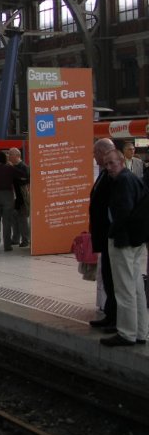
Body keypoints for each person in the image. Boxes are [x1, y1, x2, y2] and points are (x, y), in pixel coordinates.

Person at [99, 148, 148, 346]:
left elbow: (123, 212)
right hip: (135, 240)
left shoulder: (122, 181)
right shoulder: (133, 178)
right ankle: (141, 332)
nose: (109, 167)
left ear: (121, 161)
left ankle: (127, 333)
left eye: (112, 163)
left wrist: (114, 232)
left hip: (123, 241)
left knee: (124, 288)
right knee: (136, 287)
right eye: (106, 164)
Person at [88, 138, 118, 330]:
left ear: (102, 152)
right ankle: (109, 314)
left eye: (95, 153)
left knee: (113, 278)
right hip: (104, 234)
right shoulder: (104, 174)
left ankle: (116, 318)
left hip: (110, 234)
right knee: (106, 276)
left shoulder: (114, 176)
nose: (94, 156)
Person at [0, 151, 26, 252]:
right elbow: (23, 175)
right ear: (5, 159)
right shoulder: (9, 168)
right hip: (7, 195)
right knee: (7, 221)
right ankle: (7, 245)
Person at [7, 148, 30, 247]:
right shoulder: (13, 166)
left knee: (22, 219)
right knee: (13, 218)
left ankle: (25, 239)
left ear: (17, 156)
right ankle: (15, 238)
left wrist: (12, 169)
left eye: (10, 154)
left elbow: (25, 179)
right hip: (14, 197)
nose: (9, 156)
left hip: (22, 197)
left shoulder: (23, 166)